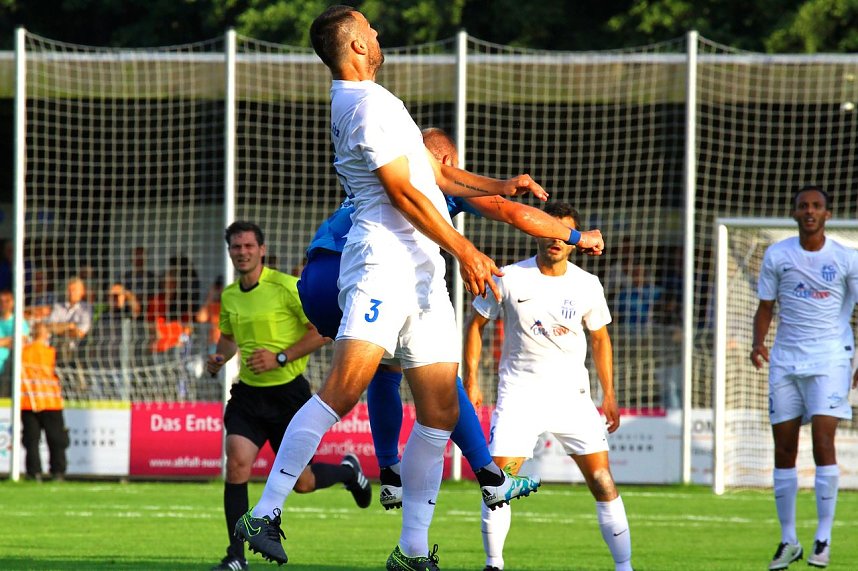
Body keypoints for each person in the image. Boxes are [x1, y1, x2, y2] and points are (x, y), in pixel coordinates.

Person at [234, 7, 599, 570]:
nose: (379, 34)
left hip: (422, 274)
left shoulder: (378, 102)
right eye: (370, 29)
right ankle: (267, 510)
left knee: (438, 410)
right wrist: (468, 250)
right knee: (344, 389)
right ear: (355, 44)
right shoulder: (363, 105)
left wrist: (502, 185)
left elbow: (435, 176)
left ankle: (411, 550)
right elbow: (403, 194)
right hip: (382, 265)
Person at [299, 126, 603, 514]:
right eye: (457, 168)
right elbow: (515, 212)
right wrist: (578, 236)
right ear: (447, 163)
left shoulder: (387, 172)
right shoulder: (439, 182)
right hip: (359, 273)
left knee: (388, 369)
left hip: (316, 278)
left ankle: (390, 474)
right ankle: (490, 477)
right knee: (437, 377)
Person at [463, 202, 633, 571]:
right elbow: (475, 326)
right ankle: (493, 564)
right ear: (536, 231)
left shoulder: (587, 284)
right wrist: (471, 381)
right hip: (519, 394)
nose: (555, 238)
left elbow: (601, 340)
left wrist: (610, 395)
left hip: (572, 398)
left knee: (603, 480)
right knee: (498, 483)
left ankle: (624, 567)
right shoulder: (508, 277)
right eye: (549, 229)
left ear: (573, 243)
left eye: (564, 233)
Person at [208, 221, 372, 571]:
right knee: (236, 464)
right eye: (236, 247)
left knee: (303, 483)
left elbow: (322, 333)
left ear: (262, 250)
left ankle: (347, 471)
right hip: (248, 396)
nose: (243, 252)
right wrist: (219, 358)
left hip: (288, 396)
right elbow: (228, 338)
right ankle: (235, 557)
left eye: (249, 246)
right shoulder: (229, 296)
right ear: (230, 252)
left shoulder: (286, 287)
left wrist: (281, 356)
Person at [750, 186, 858, 571]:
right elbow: (765, 307)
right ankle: (788, 539)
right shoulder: (778, 254)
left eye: (816, 206)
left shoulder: (846, 258)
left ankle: (824, 538)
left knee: (824, 441)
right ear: (794, 213)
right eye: (803, 206)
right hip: (785, 359)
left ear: (827, 214)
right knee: (783, 450)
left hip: (830, 358)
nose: (809, 212)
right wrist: (757, 342)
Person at [21, 321, 68, 481]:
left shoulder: (23, 350)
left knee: (31, 440)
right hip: (49, 401)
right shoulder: (53, 351)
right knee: (55, 439)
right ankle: (57, 472)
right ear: (47, 334)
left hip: (30, 401)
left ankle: (34, 473)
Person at [45, 276, 93, 367]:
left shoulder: (86, 309)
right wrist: (69, 326)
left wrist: (59, 329)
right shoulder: (58, 307)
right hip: (56, 349)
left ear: (82, 292)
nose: (71, 293)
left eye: (74, 290)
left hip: (76, 351)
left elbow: (80, 332)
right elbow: (49, 327)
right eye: (69, 290)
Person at [0, 290, 31, 397]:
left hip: (9, 368)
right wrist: (10, 339)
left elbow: (21, 341)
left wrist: (3, 341)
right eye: (1, 301)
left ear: (13, 303)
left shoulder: (19, 322)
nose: (3, 304)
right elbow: (14, 340)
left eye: (7, 301)